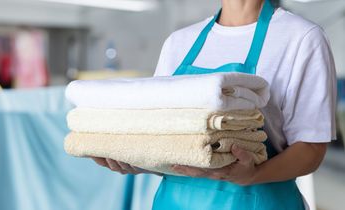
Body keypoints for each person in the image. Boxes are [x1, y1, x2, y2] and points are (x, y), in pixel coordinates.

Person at [92, 0, 337, 209]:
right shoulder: (179, 43)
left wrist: (253, 175)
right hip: (175, 202)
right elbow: (168, 142)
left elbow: (311, 149)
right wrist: (136, 161)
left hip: (256, 200)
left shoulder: (301, 38)